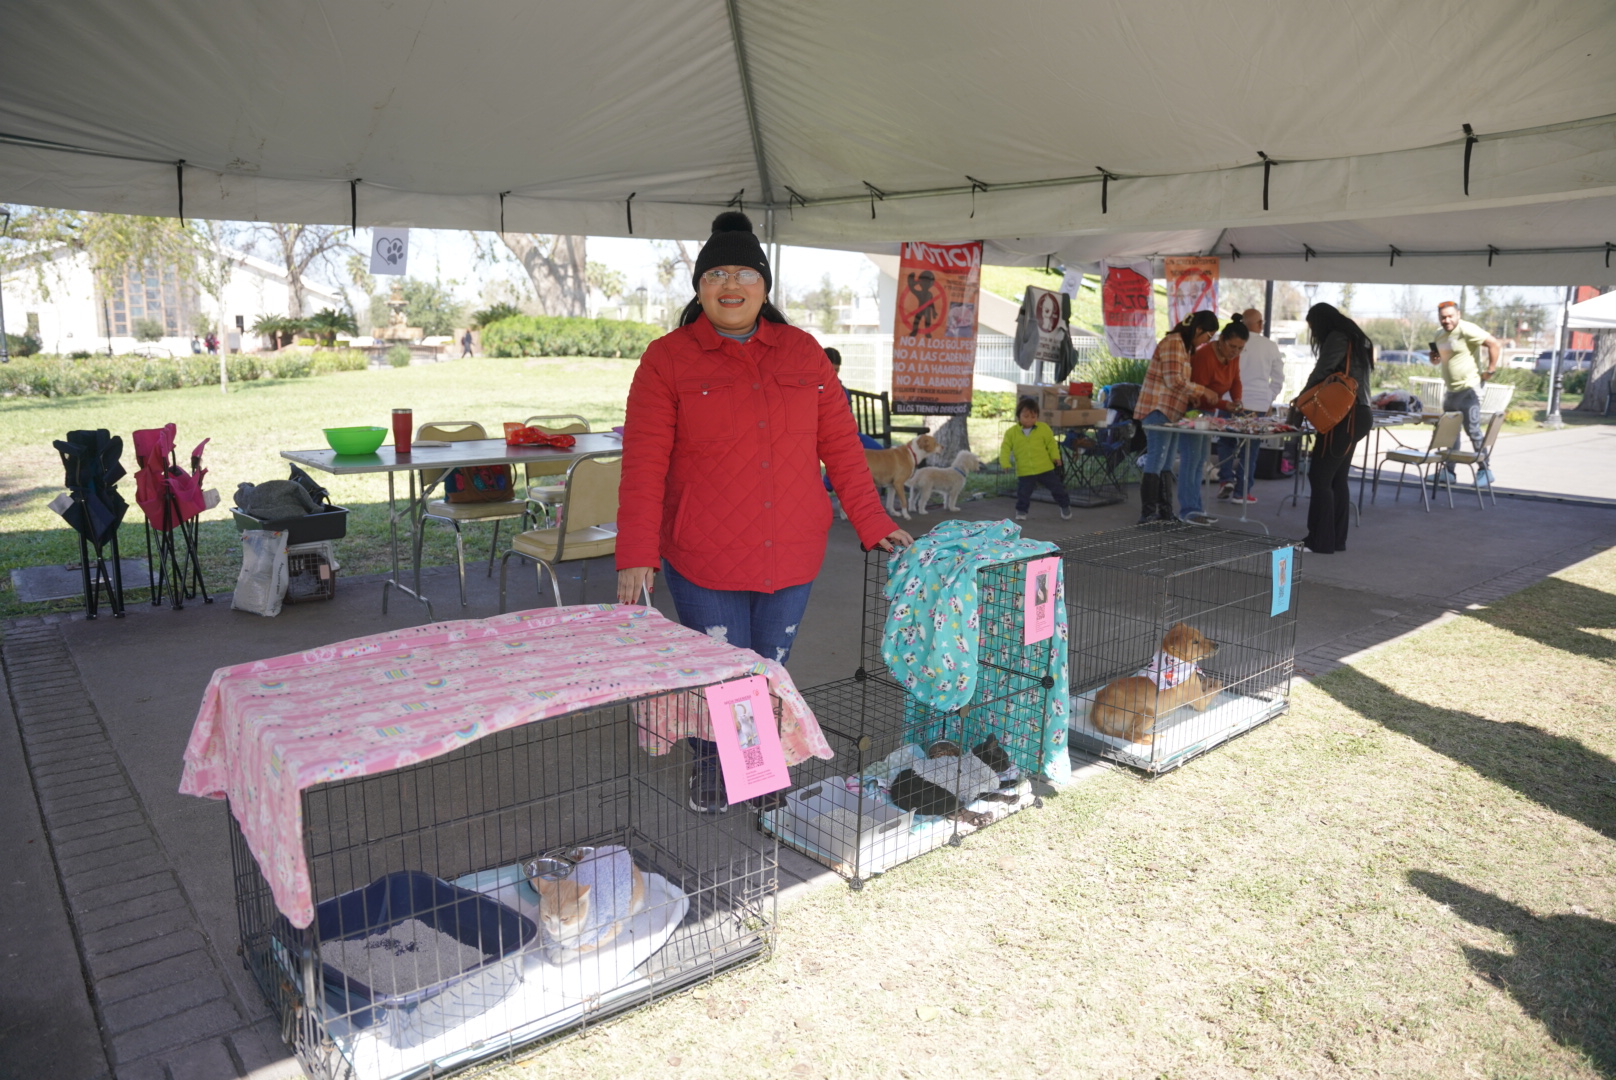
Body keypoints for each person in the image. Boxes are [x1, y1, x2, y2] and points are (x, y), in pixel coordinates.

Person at [616, 212, 911, 814]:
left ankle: (756, 766)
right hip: (704, 554)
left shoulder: (803, 353)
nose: (731, 284)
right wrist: (636, 554)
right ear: (699, 287)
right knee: (720, 672)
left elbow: (842, 448)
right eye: (716, 274)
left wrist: (873, 522)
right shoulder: (666, 359)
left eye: (744, 273)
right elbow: (643, 464)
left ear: (764, 284)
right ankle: (713, 765)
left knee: (768, 669)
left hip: (792, 550)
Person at [1293, 302, 1373, 555]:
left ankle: (1319, 540)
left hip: (1344, 416)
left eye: (1313, 328)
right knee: (1337, 478)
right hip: (1358, 414)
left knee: (1320, 477)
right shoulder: (1357, 339)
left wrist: (1300, 400)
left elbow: (1322, 371)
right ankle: (1336, 539)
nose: (1314, 334)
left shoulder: (1338, 337)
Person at [1135, 310, 1222, 524]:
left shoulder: (1184, 346)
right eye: (1207, 336)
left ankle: (1165, 512)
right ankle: (1148, 514)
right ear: (1198, 329)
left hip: (1172, 412)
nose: (1206, 341)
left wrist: (1191, 397)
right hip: (1157, 409)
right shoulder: (1173, 342)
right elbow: (1174, 380)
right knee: (1157, 459)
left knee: (1166, 462)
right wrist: (1203, 391)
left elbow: (1178, 384)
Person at [1216, 308, 1286, 501]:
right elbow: (1278, 377)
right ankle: (1242, 492)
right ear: (1259, 324)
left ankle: (1225, 479)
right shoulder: (1269, 346)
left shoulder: (1229, 343)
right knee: (1250, 449)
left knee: (1226, 442)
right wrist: (1268, 397)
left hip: (1229, 401)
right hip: (1257, 404)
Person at [1427, 300, 1499, 486]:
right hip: (1451, 390)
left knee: (1473, 430)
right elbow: (1437, 360)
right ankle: (1449, 473)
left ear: (1458, 315)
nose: (1447, 320)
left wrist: (1490, 370)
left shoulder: (1467, 329)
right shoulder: (1439, 334)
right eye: (1443, 317)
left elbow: (1493, 344)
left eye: (1450, 316)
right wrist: (1433, 358)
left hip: (1469, 389)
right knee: (1451, 433)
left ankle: (1485, 470)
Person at [999, 396, 1072, 522]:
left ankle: (1065, 506)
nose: (1029, 420)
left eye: (1033, 417)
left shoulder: (1044, 428)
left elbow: (1051, 444)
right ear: (1018, 416)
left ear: (1037, 416)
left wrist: (1055, 457)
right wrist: (1005, 463)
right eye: (1026, 416)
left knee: (1057, 488)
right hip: (1025, 470)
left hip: (1045, 468)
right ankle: (1021, 511)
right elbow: (1005, 448)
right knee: (1023, 493)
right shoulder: (1011, 433)